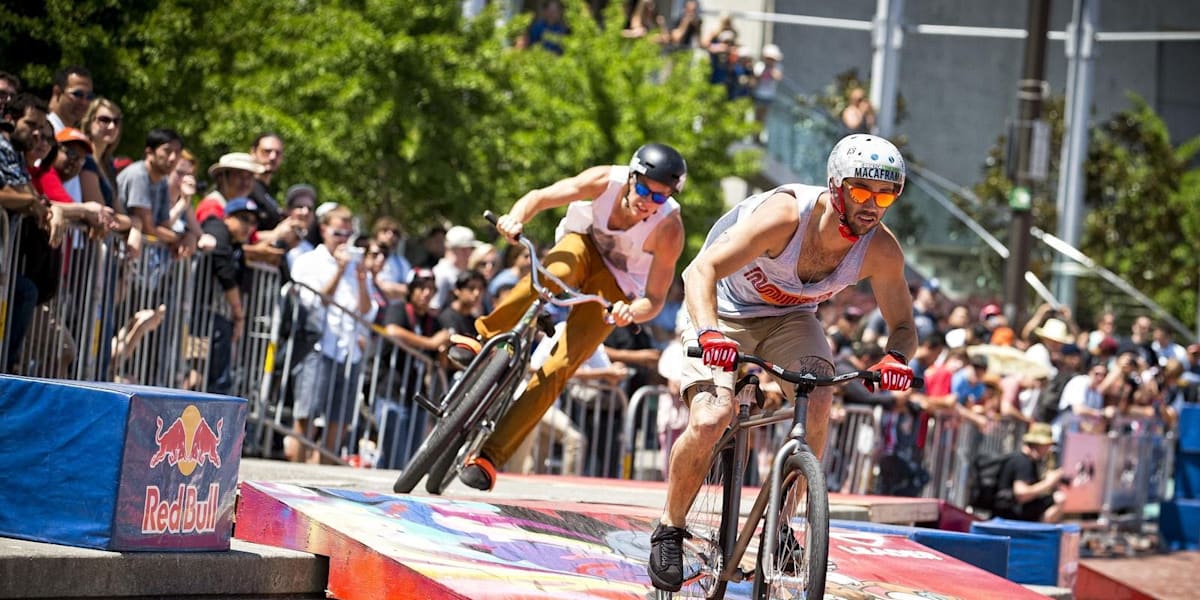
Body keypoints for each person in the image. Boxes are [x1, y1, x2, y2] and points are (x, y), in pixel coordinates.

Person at [647, 134, 917, 592]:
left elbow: (905, 325)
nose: (874, 205)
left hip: (791, 318)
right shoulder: (786, 217)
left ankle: (781, 525)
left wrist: (897, 357)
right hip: (722, 308)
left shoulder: (881, 249)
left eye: (886, 193)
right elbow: (699, 272)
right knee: (713, 415)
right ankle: (669, 528)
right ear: (835, 187)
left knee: (820, 396)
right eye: (861, 191)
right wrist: (710, 332)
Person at [448, 143, 687, 492]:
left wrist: (628, 312)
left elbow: (653, 299)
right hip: (582, 247)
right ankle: (482, 338)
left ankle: (489, 455)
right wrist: (516, 217)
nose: (647, 201)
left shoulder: (669, 229)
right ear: (632, 177)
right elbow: (540, 196)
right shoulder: (604, 180)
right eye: (643, 189)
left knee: (562, 365)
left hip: (616, 288)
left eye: (659, 197)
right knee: (551, 272)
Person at [992, 422, 1069, 522]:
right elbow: (1021, 494)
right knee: (1059, 499)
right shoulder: (1023, 462)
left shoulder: (1025, 460)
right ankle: (1040, 533)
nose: (1048, 449)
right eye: (1047, 445)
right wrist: (1048, 483)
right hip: (1012, 517)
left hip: (1012, 514)